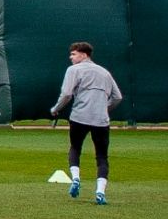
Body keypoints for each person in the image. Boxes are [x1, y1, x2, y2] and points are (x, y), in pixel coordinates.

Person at [48, 41, 121, 204]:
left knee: (75, 148)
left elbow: (66, 94)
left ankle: (75, 178)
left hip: (79, 117)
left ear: (84, 54)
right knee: (102, 156)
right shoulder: (105, 72)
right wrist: (104, 108)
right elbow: (118, 97)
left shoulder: (73, 70)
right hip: (101, 120)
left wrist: (55, 109)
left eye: (73, 54)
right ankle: (100, 192)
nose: (70, 57)